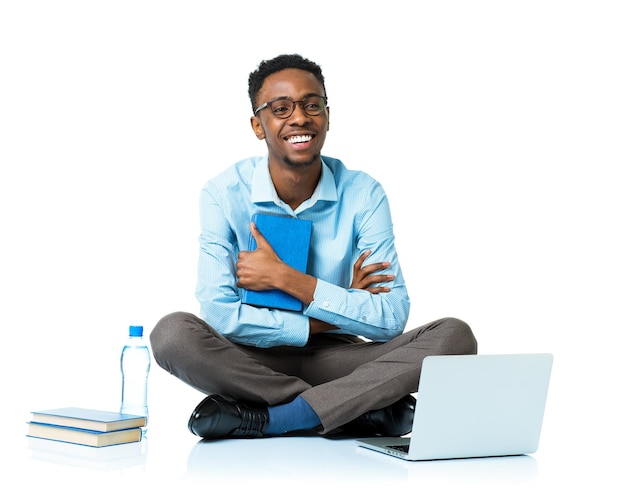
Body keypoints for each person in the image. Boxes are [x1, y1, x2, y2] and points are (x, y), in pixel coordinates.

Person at [150, 54, 477, 440]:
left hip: (338, 357)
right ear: (258, 125)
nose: (300, 118)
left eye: (312, 105)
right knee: (172, 335)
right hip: (248, 360)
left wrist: (289, 280)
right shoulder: (223, 194)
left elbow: (390, 319)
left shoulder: (363, 193)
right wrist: (337, 309)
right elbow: (221, 316)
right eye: (281, 108)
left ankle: (279, 417)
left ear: (327, 116)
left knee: (456, 337)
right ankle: (350, 409)